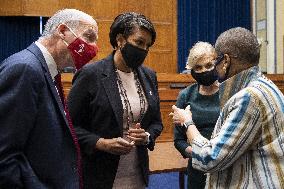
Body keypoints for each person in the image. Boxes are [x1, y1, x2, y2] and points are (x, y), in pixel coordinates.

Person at [170, 27, 284, 188]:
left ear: (225, 62)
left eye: (214, 63)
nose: (210, 69)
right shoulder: (267, 86)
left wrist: (188, 122)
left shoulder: (248, 98)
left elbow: (209, 159)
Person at [0, 9, 98, 189]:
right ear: (62, 31)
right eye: (89, 37)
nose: (94, 48)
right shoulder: (25, 69)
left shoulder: (50, 73)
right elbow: (5, 156)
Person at [67, 12, 163, 189]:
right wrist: (101, 143)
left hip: (137, 174)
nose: (144, 50)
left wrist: (147, 137)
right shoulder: (91, 74)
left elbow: (156, 122)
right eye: (139, 42)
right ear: (120, 40)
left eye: (148, 45)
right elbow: (68, 126)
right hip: (99, 174)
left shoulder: (149, 76)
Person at [174, 42, 220, 189]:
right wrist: (197, 154)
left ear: (216, 63)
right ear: (192, 71)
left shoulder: (229, 92)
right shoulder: (186, 95)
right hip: (197, 170)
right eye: (198, 68)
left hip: (225, 166)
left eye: (208, 65)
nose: (204, 71)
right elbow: (179, 140)